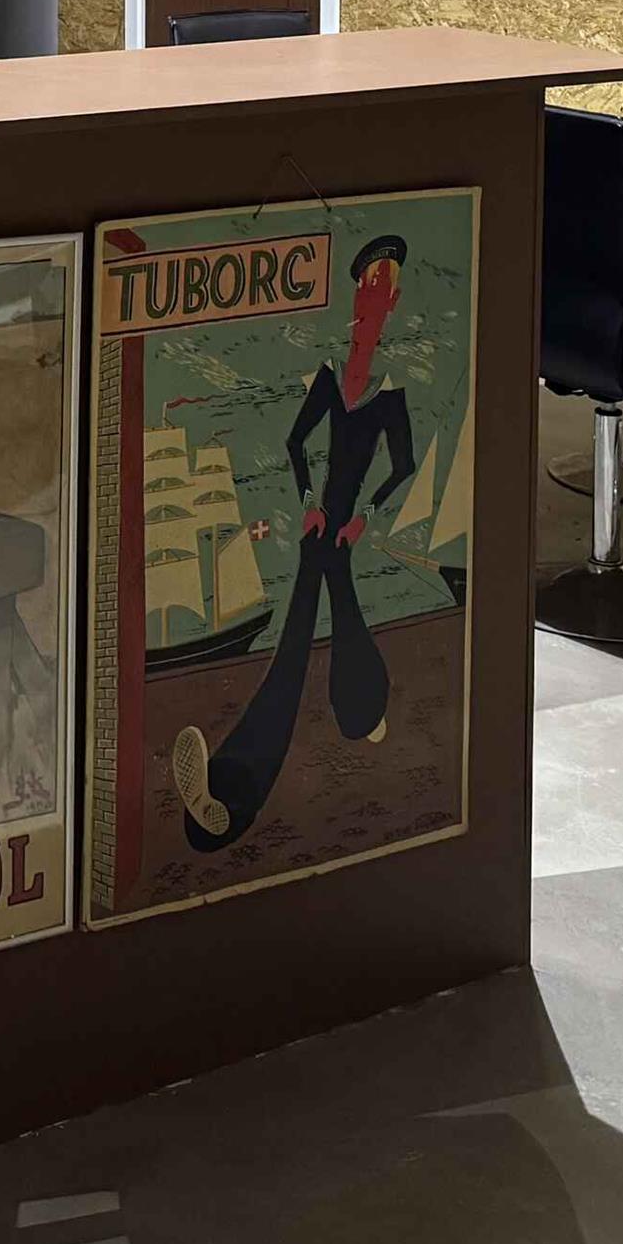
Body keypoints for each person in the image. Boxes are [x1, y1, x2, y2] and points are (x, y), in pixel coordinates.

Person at [171, 236, 419, 850]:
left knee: (341, 625)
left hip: (344, 531)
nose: (372, 294)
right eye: (367, 282)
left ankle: (354, 719)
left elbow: (403, 465)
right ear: (357, 294)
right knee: (296, 649)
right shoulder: (333, 376)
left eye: (383, 284)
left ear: (393, 299)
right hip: (319, 530)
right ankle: (235, 792)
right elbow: (294, 442)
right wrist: (310, 502)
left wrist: (362, 517)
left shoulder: (388, 390)